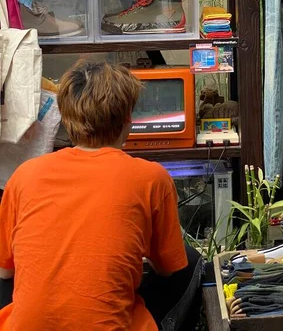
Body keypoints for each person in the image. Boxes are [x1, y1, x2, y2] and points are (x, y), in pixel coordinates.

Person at [0, 60, 202, 331]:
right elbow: (168, 270)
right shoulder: (151, 177)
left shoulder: (24, 176)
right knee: (191, 261)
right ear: (128, 118)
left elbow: (5, 272)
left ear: (66, 117)